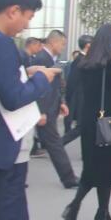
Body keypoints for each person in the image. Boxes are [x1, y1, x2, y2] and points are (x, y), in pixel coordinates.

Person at [0, 0, 56, 220]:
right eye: (28, 17)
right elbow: (12, 97)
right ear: (13, 11)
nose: (27, 26)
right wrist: (41, 79)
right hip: (6, 151)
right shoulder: (2, 44)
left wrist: (24, 73)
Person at [61, 24, 111, 220]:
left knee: (92, 167)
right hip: (108, 122)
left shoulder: (84, 63)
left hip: (89, 121)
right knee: (105, 169)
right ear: (109, 42)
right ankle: (77, 207)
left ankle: (102, 213)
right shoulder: (109, 65)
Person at [31, 30, 79, 188]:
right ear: (53, 42)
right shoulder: (41, 59)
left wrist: (61, 103)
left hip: (50, 107)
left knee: (52, 143)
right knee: (54, 144)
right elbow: (39, 88)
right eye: (62, 44)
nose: (63, 47)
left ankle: (69, 178)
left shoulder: (51, 59)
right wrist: (41, 111)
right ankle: (69, 178)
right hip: (44, 110)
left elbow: (55, 85)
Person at [62, 34, 93, 146]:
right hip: (80, 98)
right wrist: (69, 100)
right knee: (81, 126)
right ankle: (58, 144)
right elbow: (72, 82)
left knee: (84, 126)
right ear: (88, 45)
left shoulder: (85, 59)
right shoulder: (80, 60)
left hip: (83, 98)